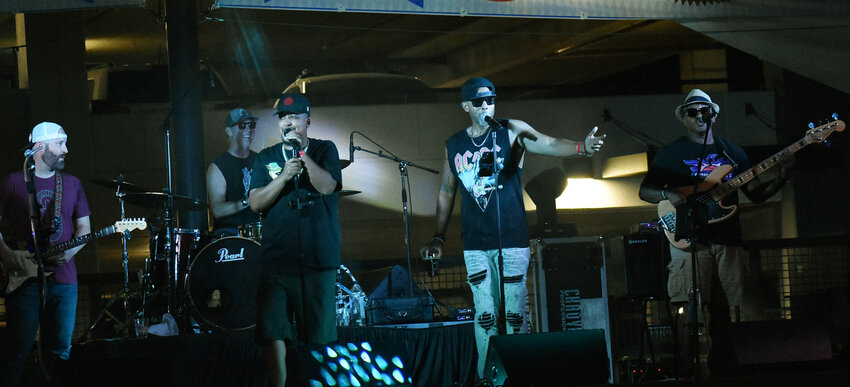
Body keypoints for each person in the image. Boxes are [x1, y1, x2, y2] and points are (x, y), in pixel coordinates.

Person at [419, 77, 606, 379]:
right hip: (476, 243)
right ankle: (490, 379)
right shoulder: (454, 144)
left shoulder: (510, 130)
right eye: (478, 101)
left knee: (515, 314)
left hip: (513, 239)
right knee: (485, 316)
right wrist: (438, 236)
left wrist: (581, 147)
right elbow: (445, 189)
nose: (486, 106)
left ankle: (520, 375)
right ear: (465, 105)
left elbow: (546, 142)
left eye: (490, 99)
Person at [638, 89, 792, 377]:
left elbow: (755, 195)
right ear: (684, 119)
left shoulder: (733, 153)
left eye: (704, 110)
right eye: (692, 111)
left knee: (729, 308)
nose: (699, 115)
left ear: (714, 114)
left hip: (728, 238)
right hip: (687, 239)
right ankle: (687, 369)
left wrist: (783, 174)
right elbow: (644, 191)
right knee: (688, 308)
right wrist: (668, 193)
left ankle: (726, 367)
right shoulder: (671, 153)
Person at [248, 92, 342, 386]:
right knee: (272, 333)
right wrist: (283, 177)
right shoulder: (266, 158)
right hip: (277, 260)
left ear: (307, 121)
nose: (288, 123)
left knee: (319, 339)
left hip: (317, 260)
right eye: (283, 118)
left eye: (294, 117)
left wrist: (302, 155)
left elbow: (328, 187)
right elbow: (255, 203)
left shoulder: (325, 149)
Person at [0, 122, 92, 386]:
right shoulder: (12, 183)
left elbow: (84, 227)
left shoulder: (72, 183)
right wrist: (6, 253)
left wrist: (69, 253)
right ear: (39, 147)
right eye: (60, 144)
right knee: (18, 347)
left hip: (64, 279)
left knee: (60, 350)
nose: (66, 149)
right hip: (24, 279)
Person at [206, 107, 261, 237]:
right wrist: (247, 201)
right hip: (230, 234)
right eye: (242, 125)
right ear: (229, 131)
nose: (248, 129)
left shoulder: (260, 159)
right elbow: (217, 210)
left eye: (251, 125)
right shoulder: (218, 166)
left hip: (259, 230)